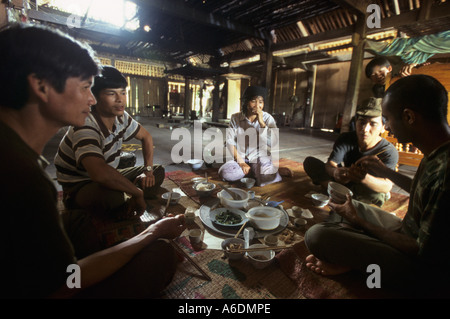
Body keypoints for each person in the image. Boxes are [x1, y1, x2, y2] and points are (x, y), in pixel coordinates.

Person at [0, 24, 185, 299]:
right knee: (161, 254)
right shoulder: (23, 178)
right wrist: (151, 233)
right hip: (55, 284)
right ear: (41, 85)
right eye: (86, 87)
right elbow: (64, 286)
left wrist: (144, 172)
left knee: (83, 229)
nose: (90, 98)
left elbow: (145, 139)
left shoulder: (14, 150)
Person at [304, 74, 450, 297]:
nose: (389, 128)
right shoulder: (437, 152)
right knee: (345, 205)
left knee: (316, 236)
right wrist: (386, 172)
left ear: (409, 117)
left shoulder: (445, 172)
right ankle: (356, 249)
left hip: (424, 269)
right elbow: (421, 189)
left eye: (388, 119)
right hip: (408, 229)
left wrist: (358, 221)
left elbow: (420, 250)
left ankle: (357, 264)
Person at [54, 66, 165, 220]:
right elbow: (98, 173)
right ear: (94, 97)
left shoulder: (121, 117)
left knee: (157, 171)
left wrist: (148, 171)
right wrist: (136, 192)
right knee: (113, 198)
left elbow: (146, 137)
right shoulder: (85, 124)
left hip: (108, 173)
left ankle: (129, 195)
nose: (120, 99)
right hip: (80, 185)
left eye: (123, 93)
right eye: (111, 94)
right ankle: (128, 196)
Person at [303, 97, 398, 207]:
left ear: (383, 127)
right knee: (310, 162)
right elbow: (331, 164)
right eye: (361, 122)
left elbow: (387, 186)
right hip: (346, 180)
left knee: (376, 195)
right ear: (356, 122)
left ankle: (336, 192)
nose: (365, 129)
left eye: (373, 124)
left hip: (366, 185)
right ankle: (341, 193)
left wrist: (363, 178)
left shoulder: (389, 151)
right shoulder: (345, 138)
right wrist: (335, 172)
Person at [218, 85, 292, 186]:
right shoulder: (235, 117)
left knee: (267, 178)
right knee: (225, 173)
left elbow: (273, 143)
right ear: (245, 102)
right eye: (253, 101)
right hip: (240, 157)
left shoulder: (267, 118)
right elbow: (229, 142)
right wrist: (241, 163)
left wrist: (262, 123)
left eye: (260, 102)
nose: (257, 106)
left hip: (259, 157)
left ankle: (262, 170)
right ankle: (257, 171)